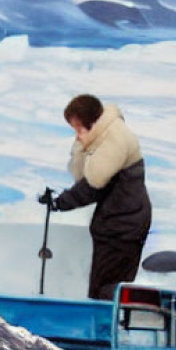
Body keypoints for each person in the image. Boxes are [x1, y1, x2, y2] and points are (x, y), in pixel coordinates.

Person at [40, 94, 152, 300]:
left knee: (107, 286)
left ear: (90, 123)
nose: (76, 134)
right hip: (117, 223)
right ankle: (106, 324)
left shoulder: (115, 139)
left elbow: (94, 184)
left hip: (124, 226)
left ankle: (105, 328)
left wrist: (60, 203)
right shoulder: (102, 137)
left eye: (77, 127)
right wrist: (83, 145)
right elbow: (81, 176)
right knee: (105, 284)